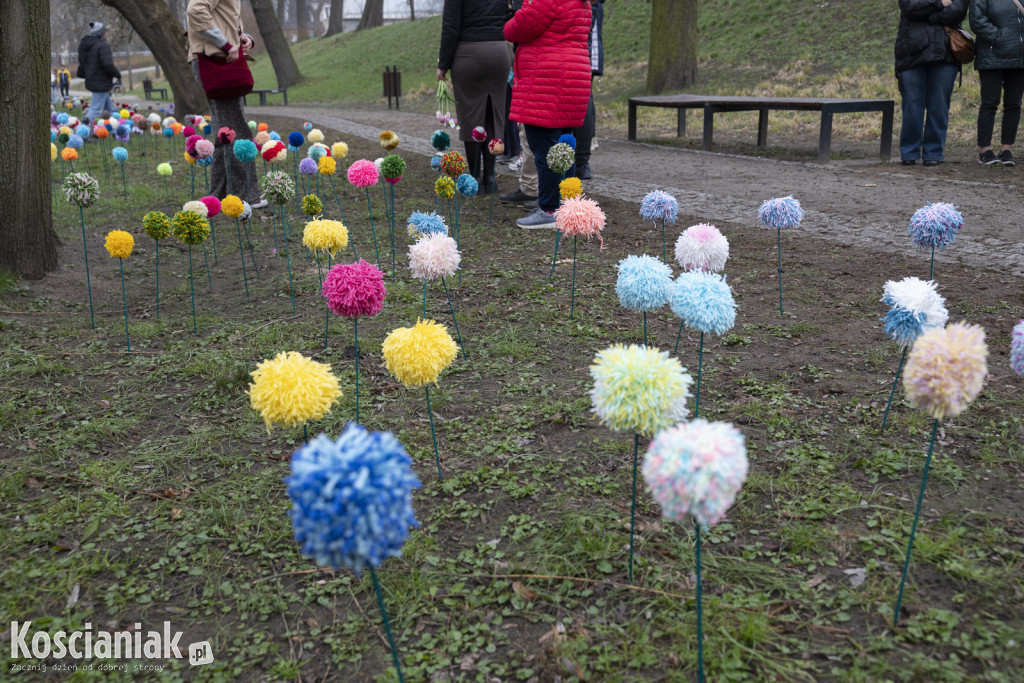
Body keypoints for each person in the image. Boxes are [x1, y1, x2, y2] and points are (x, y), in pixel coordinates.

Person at [505, 0, 592, 228]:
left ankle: (550, 209)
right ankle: (567, 206)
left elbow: (516, 29)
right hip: (572, 74)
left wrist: (516, 12)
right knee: (563, 148)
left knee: (546, 150)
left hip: (547, 78)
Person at [186, 0, 265, 207]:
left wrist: (244, 38)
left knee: (225, 131)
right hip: (216, 61)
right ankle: (244, 197)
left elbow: (224, 18)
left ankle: (219, 195)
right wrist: (226, 44)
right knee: (236, 131)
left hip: (216, 60)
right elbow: (196, 10)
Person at [437, 0, 511, 195]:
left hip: (468, 55)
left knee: (470, 118)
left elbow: (450, 26)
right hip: (498, 52)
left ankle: (475, 180)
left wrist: (443, 64)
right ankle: (491, 179)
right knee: (493, 116)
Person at [894, 0, 969, 166]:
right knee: (912, 105)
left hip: (946, 54)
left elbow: (957, 12)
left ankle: (933, 153)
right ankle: (909, 152)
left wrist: (926, 13)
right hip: (911, 53)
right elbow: (909, 8)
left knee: (939, 106)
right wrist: (939, 2)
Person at [970, 0, 1024, 166]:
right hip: (992, 56)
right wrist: (999, 37)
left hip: (1019, 57)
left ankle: (1006, 149)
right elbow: (976, 20)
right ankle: (985, 150)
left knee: (1014, 104)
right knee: (989, 103)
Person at [573, 0, 605, 180]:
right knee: (584, 97)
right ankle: (581, 162)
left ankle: (579, 161)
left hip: (578, 46)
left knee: (583, 99)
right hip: (584, 48)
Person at [77, 22, 121, 124]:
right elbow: (108, 64)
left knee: (111, 110)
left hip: (93, 81)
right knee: (96, 110)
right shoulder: (102, 46)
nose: (107, 34)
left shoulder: (88, 46)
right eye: (106, 32)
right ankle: (82, 130)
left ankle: (116, 129)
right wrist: (117, 74)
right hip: (101, 83)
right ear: (101, 34)